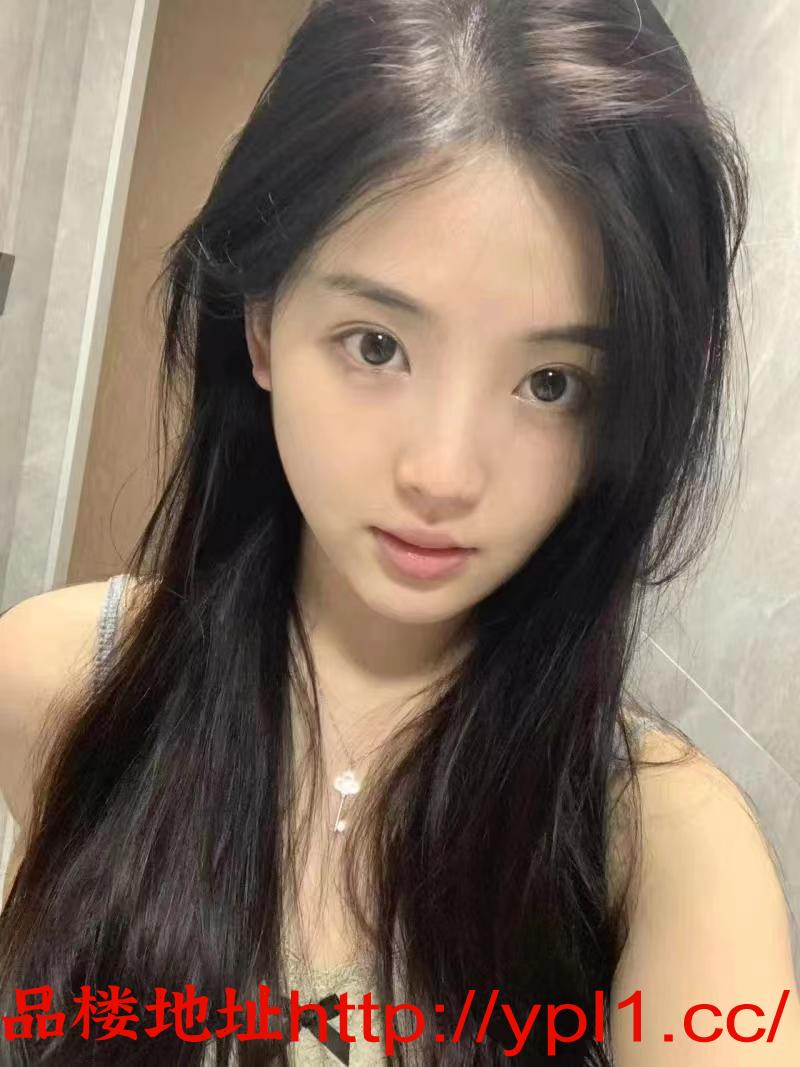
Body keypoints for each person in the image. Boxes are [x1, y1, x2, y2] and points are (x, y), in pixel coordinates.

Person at [0, 0, 798, 1063]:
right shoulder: (58, 681)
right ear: (264, 324)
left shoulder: (661, 848)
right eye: (375, 344)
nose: (442, 473)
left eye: (550, 382)